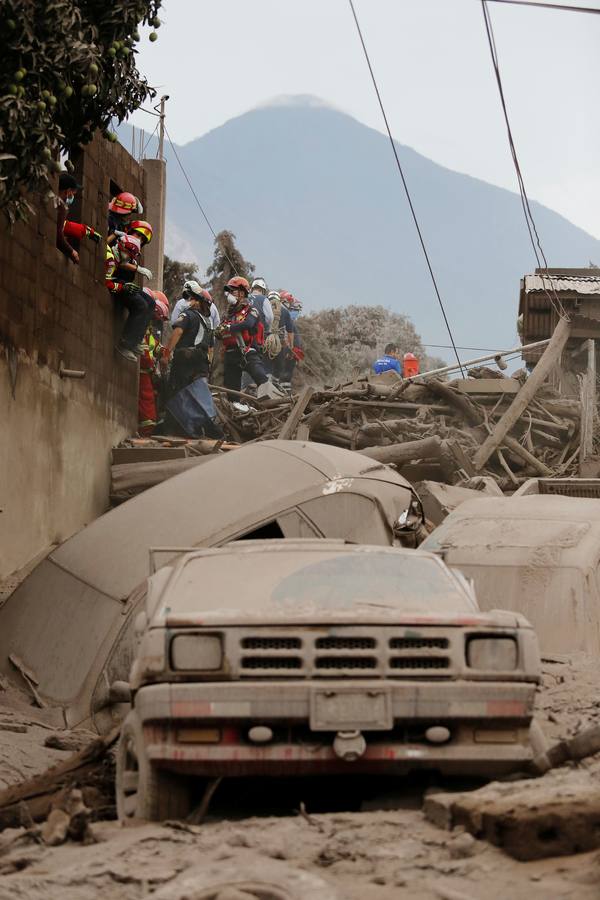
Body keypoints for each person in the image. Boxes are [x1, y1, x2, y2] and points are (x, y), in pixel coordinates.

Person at [160, 286, 224, 438]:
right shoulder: (208, 323)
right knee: (200, 396)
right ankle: (206, 429)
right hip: (201, 363)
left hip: (185, 361)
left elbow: (178, 332)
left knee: (176, 393)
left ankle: (172, 429)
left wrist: (166, 355)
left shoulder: (187, 315)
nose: (190, 301)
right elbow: (210, 348)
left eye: (194, 299)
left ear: (201, 303)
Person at [105, 233, 155, 362]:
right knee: (141, 306)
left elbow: (123, 262)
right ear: (121, 247)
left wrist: (138, 269)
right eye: (127, 254)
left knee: (150, 302)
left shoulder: (123, 255)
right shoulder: (110, 256)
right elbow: (108, 282)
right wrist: (123, 287)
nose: (129, 258)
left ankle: (135, 341)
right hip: (116, 283)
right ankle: (125, 344)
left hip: (123, 283)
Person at [215, 276, 268, 392]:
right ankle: (236, 404)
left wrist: (228, 327)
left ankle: (272, 397)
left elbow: (248, 324)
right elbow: (219, 332)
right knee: (232, 390)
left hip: (247, 351)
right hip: (231, 354)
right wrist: (218, 331)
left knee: (262, 380)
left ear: (242, 293)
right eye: (228, 291)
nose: (229, 294)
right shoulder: (227, 315)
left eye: (232, 291)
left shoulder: (251, 310)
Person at [138, 291, 169, 435]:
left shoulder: (148, 329)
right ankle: (146, 430)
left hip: (147, 370)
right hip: (143, 371)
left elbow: (155, 345)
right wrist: (151, 366)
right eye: (157, 320)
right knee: (147, 399)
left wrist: (166, 353)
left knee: (152, 397)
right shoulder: (142, 327)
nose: (157, 324)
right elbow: (144, 351)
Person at [56, 173, 102, 264]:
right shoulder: (61, 207)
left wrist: (85, 230)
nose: (73, 196)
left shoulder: (53, 199)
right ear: (68, 191)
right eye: (73, 193)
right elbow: (58, 234)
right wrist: (71, 251)